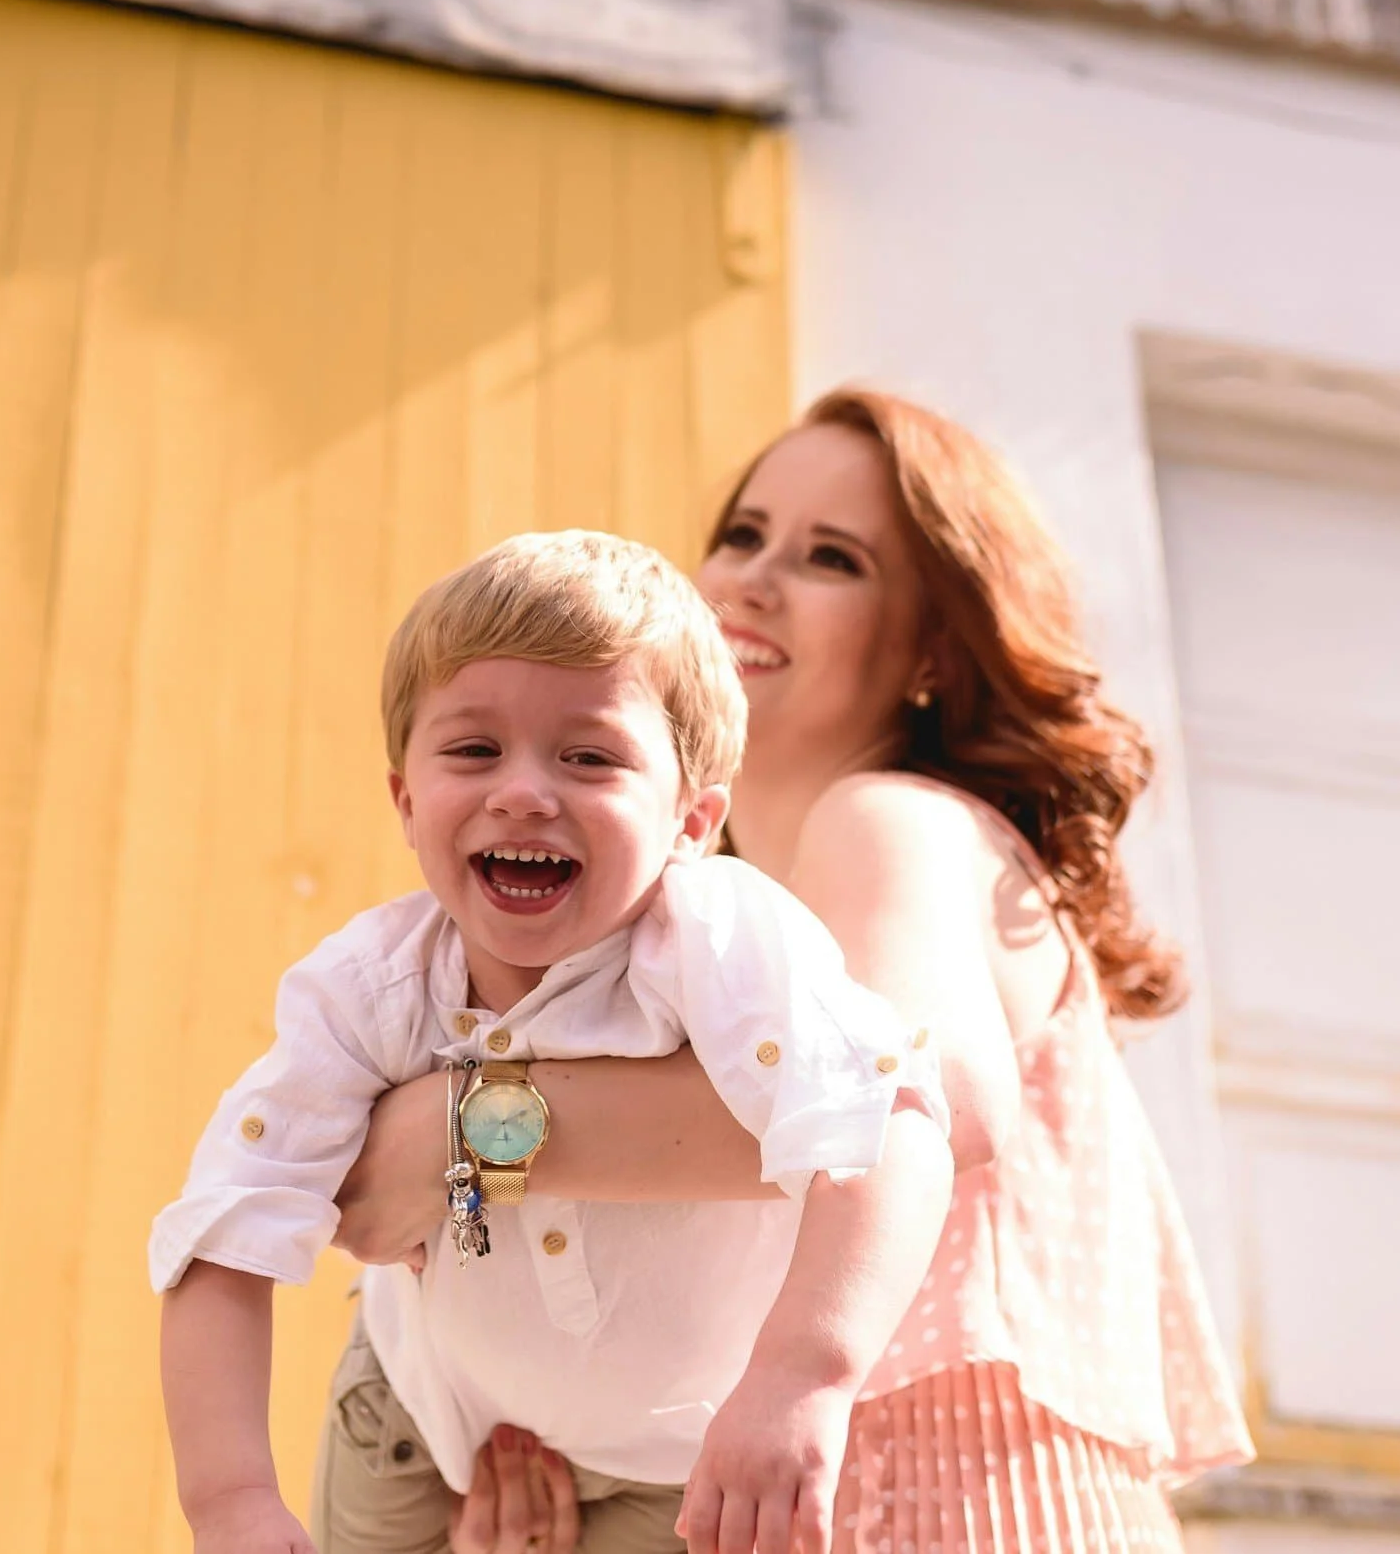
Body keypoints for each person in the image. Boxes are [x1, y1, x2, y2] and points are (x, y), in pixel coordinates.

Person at [334, 392, 1255, 1554]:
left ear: (931, 649)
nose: (751, 580)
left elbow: (930, 1092)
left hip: (954, 1508)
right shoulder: (698, 933)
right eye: (742, 534)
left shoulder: (886, 821)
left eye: (831, 557)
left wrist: (463, 1134)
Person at [152, 531, 956, 1554]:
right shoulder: (368, 988)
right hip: (418, 1418)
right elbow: (223, 1232)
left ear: (691, 819)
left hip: (680, 1455)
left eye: (589, 756)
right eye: (473, 749)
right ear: (405, 798)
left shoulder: (723, 942)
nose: (524, 791)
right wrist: (229, 1504)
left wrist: (805, 1375)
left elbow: (890, 1129)